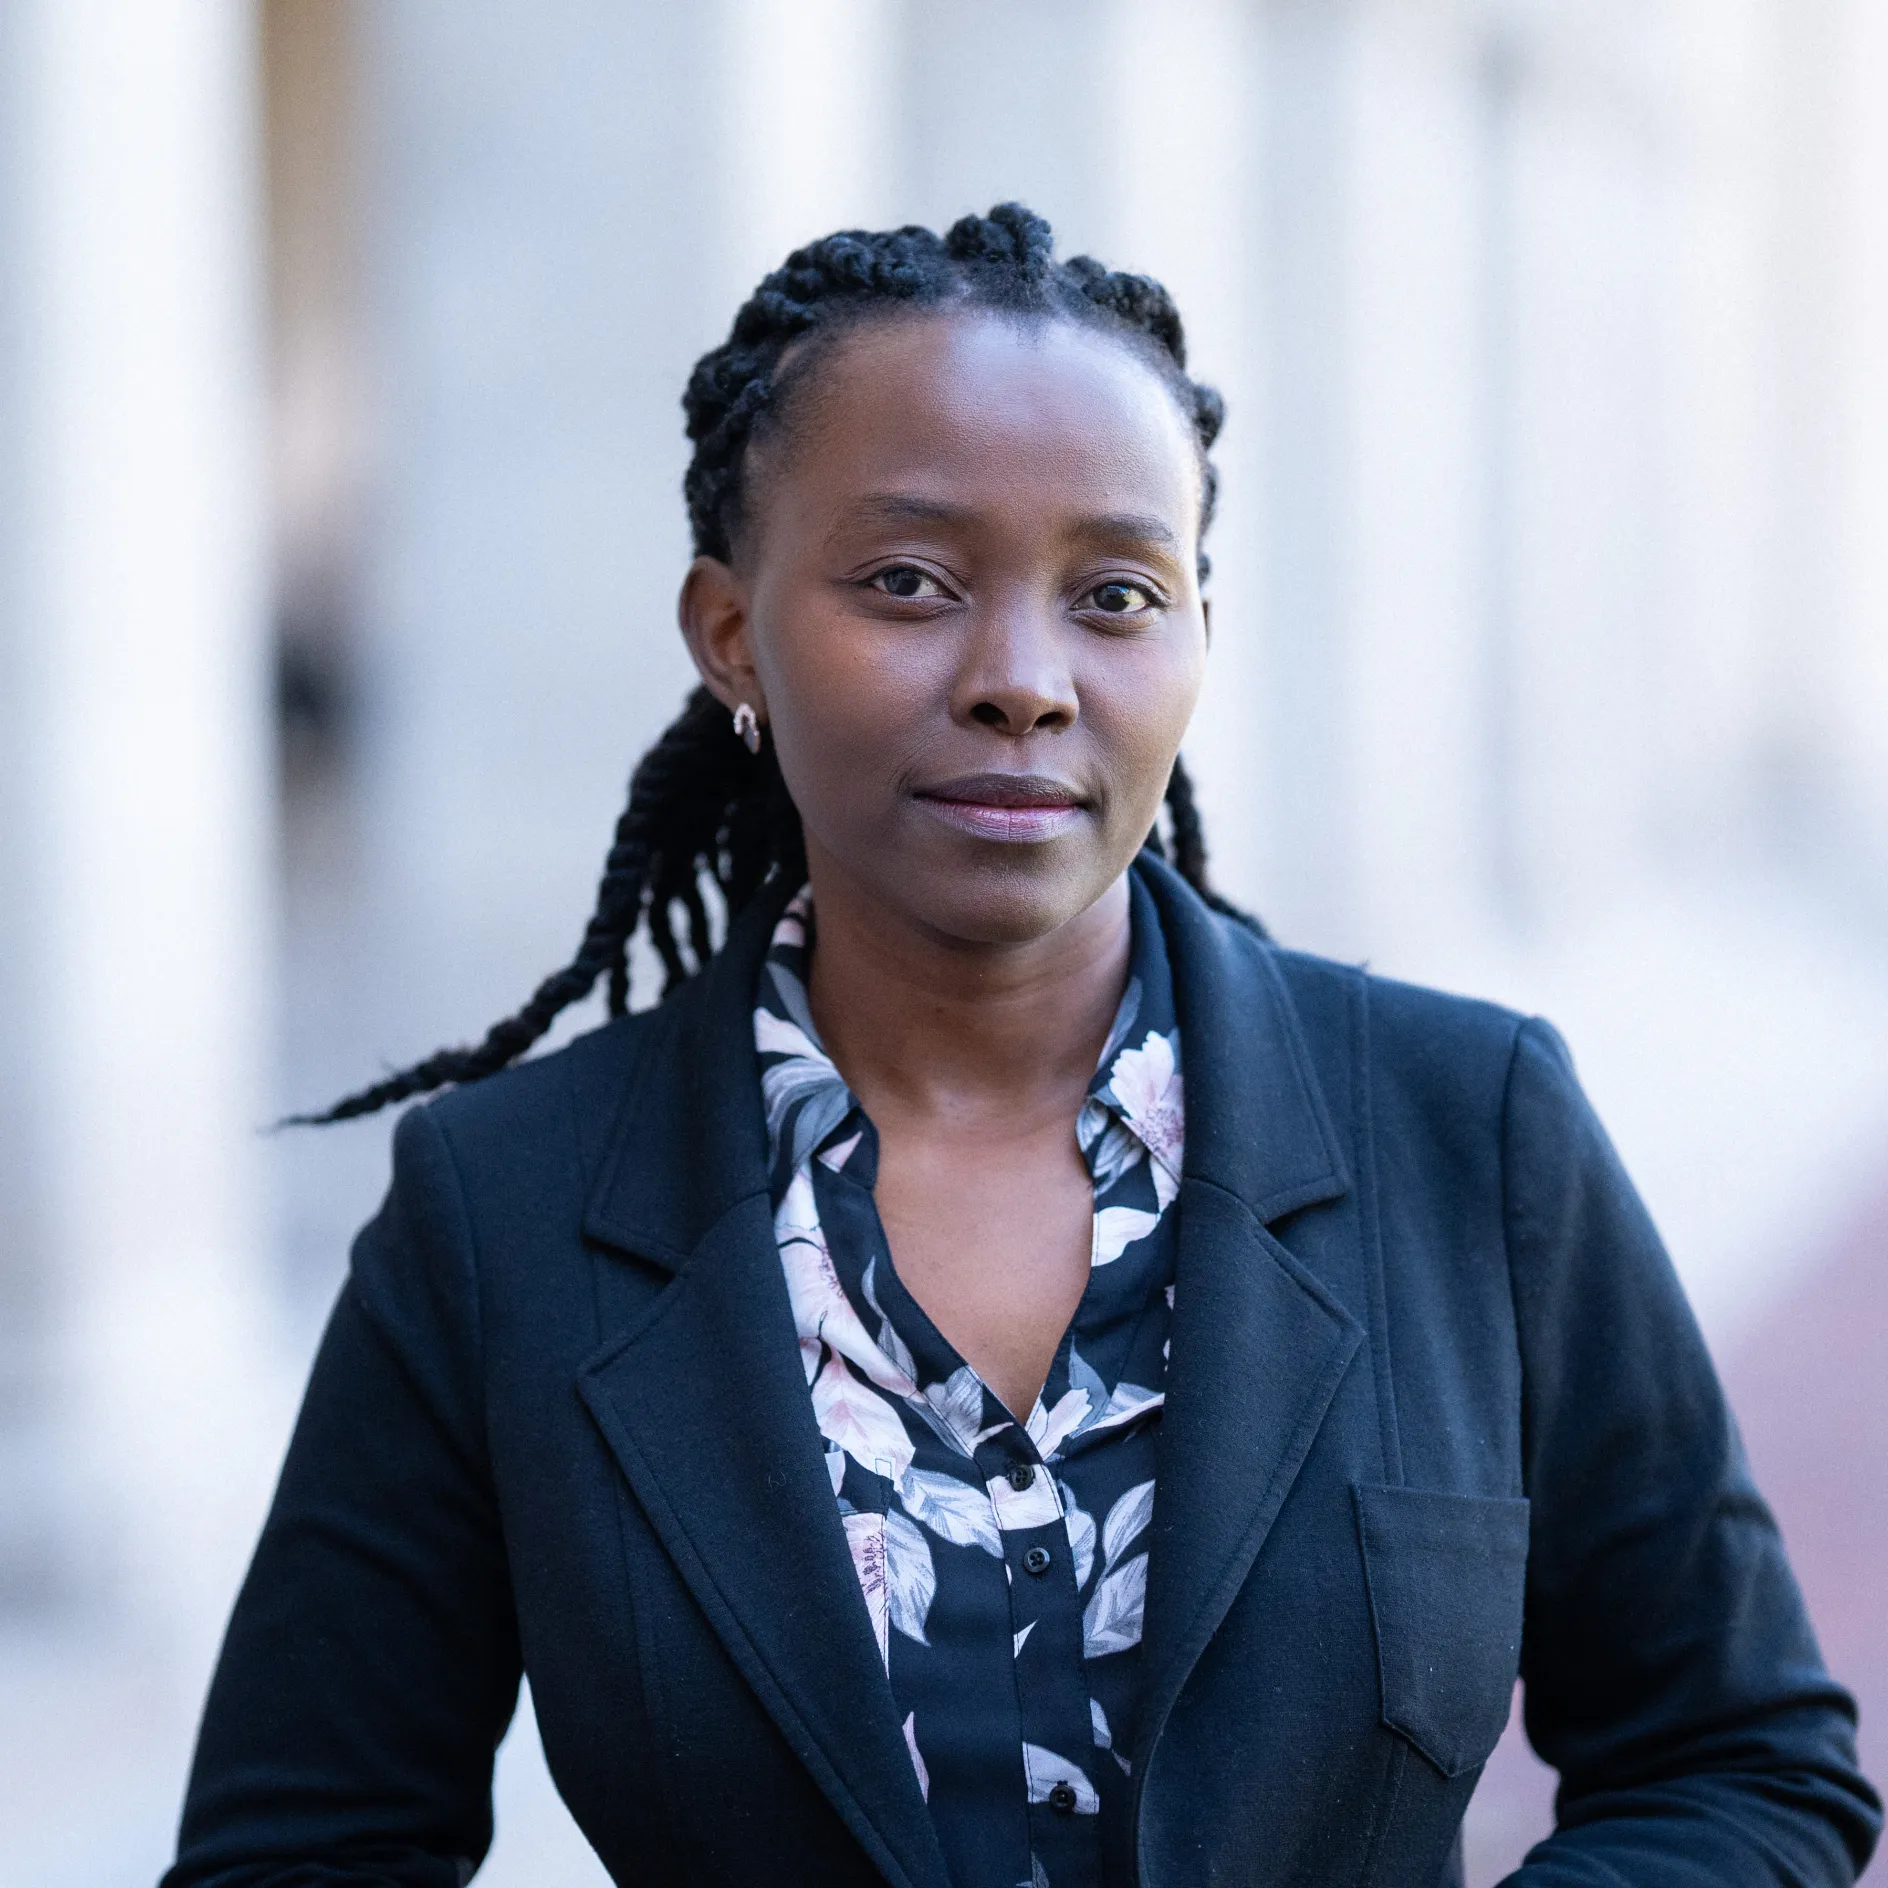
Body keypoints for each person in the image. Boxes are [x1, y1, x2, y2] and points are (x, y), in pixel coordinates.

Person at [164, 204, 1878, 1888]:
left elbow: (1740, 1764)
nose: (1025, 679)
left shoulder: (1470, 1130)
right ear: (731, 633)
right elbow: (295, 1848)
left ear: (1197, 631)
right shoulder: (504, 1216)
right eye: (909, 582)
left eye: (1117, 593)